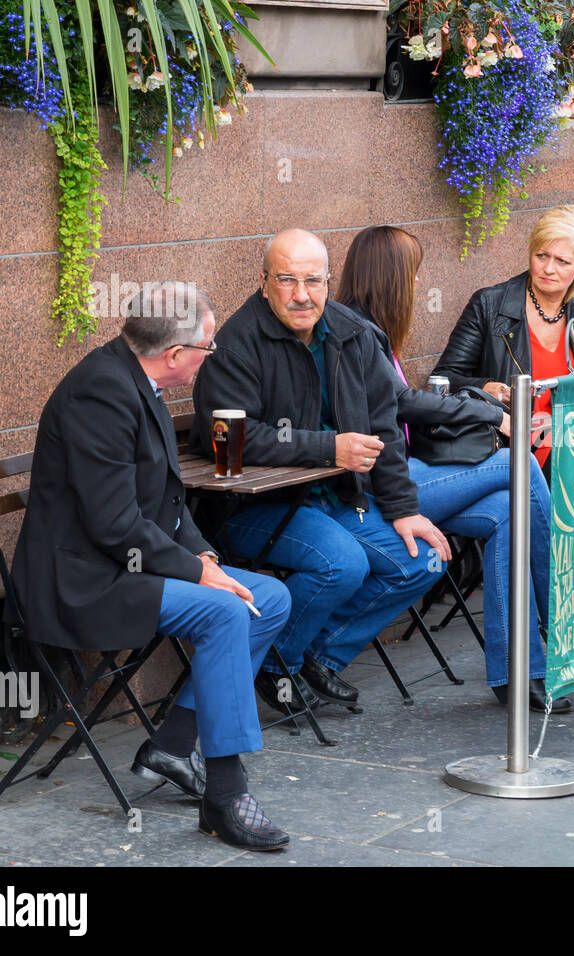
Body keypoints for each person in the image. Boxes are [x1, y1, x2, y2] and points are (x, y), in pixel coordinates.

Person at [11, 282, 293, 851]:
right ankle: (225, 794)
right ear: (174, 355)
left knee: (271, 600)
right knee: (223, 612)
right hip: (86, 581)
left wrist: (204, 554)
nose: (209, 358)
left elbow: (164, 502)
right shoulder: (102, 392)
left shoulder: (137, 382)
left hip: (129, 565)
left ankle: (171, 743)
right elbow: (115, 525)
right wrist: (198, 573)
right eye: (207, 348)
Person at [190, 229, 451, 714]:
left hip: (335, 498)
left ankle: (309, 654)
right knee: (343, 564)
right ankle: (278, 663)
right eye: (287, 280)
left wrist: (403, 509)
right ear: (263, 282)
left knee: (425, 559)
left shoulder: (350, 330)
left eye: (313, 280)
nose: (301, 294)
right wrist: (328, 448)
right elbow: (231, 440)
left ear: (329, 282)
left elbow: (384, 427)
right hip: (248, 507)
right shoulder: (236, 344)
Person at [336, 225, 567, 712]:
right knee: (520, 463)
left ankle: (519, 671)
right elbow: (402, 401)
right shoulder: (356, 330)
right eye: (414, 275)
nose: (419, 286)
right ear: (393, 278)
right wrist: (489, 411)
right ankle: (565, 620)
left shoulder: (368, 327)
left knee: (510, 507)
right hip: (382, 487)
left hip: (406, 469)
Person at [432, 204, 574, 471]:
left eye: (562, 261)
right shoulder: (489, 305)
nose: (548, 268)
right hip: (510, 450)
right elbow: (443, 380)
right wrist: (489, 387)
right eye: (541, 255)